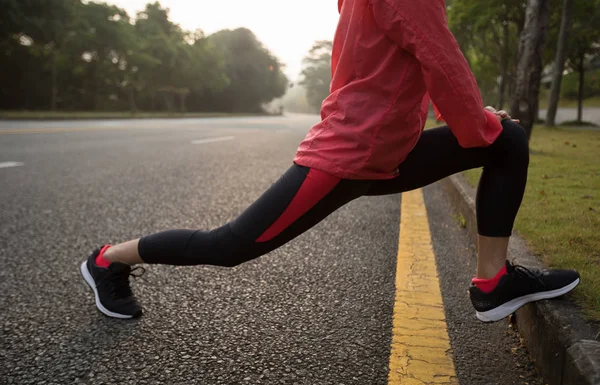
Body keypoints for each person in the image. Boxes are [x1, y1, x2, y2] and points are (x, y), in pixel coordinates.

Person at [80, 0, 580, 322]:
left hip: (387, 153)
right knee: (229, 245)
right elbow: (441, 62)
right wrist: (478, 125)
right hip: (347, 157)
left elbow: (407, 70)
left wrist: (482, 125)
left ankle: (493, 281)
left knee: (506, 141)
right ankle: (108, 260)